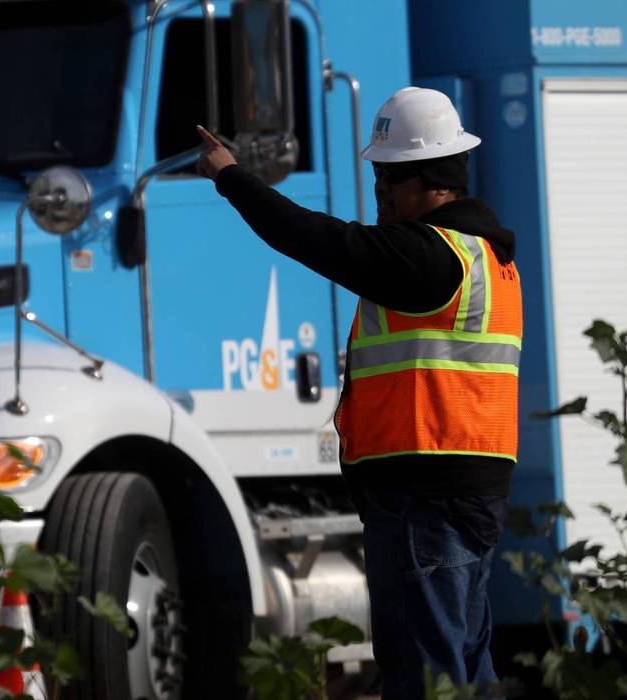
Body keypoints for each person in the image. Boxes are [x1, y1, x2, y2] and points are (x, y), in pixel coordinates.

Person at [196, 87, 522, 697]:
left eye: (388, 182)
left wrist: (232, 178)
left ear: (430, 182)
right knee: (465, 675)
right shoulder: (485, 258)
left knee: (425, 679)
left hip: (424, 495)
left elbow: (314, 238)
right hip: (466, 494)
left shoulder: (429, 256)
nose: (380, 196)